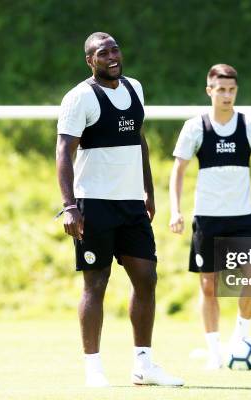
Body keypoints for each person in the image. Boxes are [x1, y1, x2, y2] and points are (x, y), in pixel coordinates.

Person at [56, 32, 184, 387]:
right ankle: (93, 367)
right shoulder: (79, 98)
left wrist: (149, 190)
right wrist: (70, 206)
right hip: (93, 204)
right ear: (90, 60)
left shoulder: (135, 89)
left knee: (147, 278)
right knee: (95, 283)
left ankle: (144, 365)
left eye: (114, 49)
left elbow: (139, 140)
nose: (112, 56)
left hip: (131, 204)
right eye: (102, 52)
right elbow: (63, 154)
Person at [169, 64, 251, 369]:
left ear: (236, 91)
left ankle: (240, 338)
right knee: (208, 286)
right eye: (221, 90)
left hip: (243, 218)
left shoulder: (250, 125)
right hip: (208, 219)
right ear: (210, 91)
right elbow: (178, 170)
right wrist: (176, 210)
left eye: (231, 90)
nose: (226, 95)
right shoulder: (195, 127)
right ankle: (214, 352)